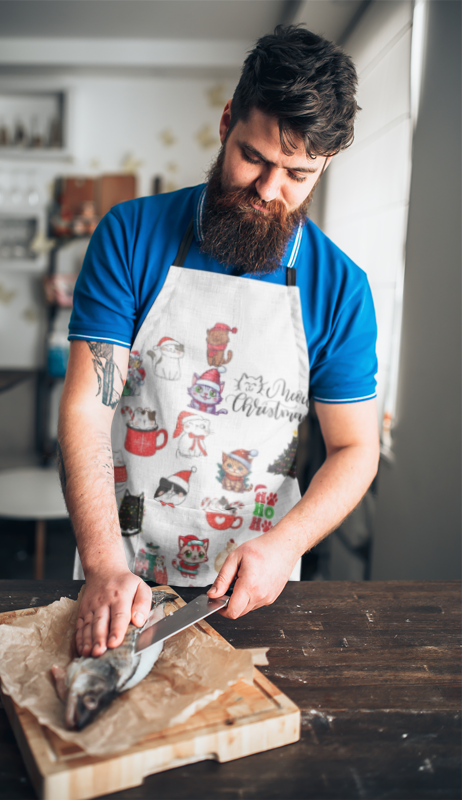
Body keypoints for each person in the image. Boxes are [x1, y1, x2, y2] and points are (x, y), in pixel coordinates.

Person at [58, 25, 380, 659]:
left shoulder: (341, 287)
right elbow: (84, 407)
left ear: (325, 165)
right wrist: (102, 563)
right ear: (229, 120)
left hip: (253, 584)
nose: (268, 189)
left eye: (297, 173)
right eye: (254, 156)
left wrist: (285, 545)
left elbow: (354, 448)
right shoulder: (131, 234)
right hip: (120, 573)